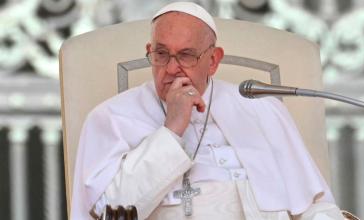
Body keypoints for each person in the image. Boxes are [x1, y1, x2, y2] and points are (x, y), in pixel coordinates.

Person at [71, 2, 345, 220]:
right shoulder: (110, 118)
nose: (171, 68)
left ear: (213, 61)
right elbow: (110, 213)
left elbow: (311, 208)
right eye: (161, 54)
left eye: (187, 55)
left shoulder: (263, 109)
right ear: (149, 51)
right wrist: (171, 131)